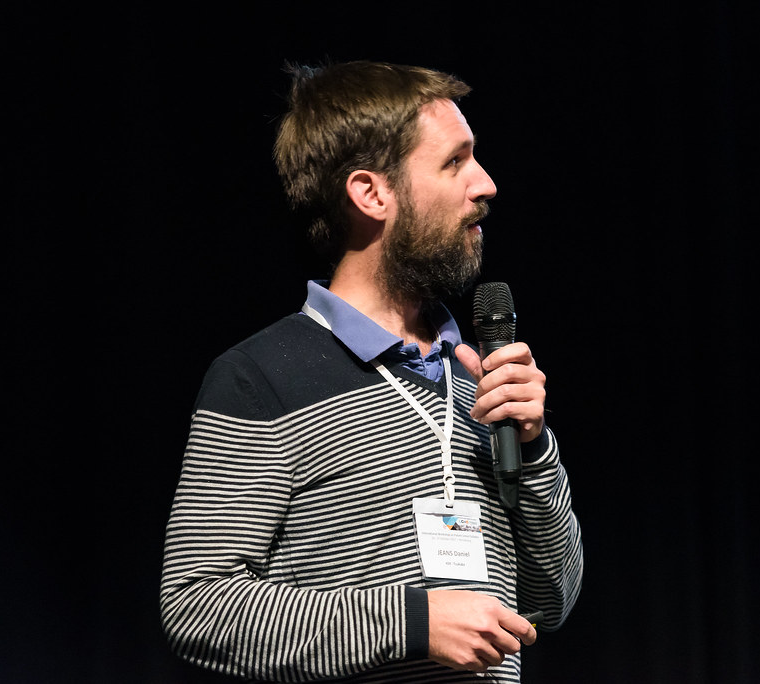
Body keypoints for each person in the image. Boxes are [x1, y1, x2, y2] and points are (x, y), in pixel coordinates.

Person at [160, 60, 583, 683]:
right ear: (372, 194)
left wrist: (534, 449)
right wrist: (411, 621)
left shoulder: (479, 378)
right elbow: (197, 606)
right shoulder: (262, 376)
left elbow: (554, 599)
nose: (487, 184)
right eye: (455, 162)